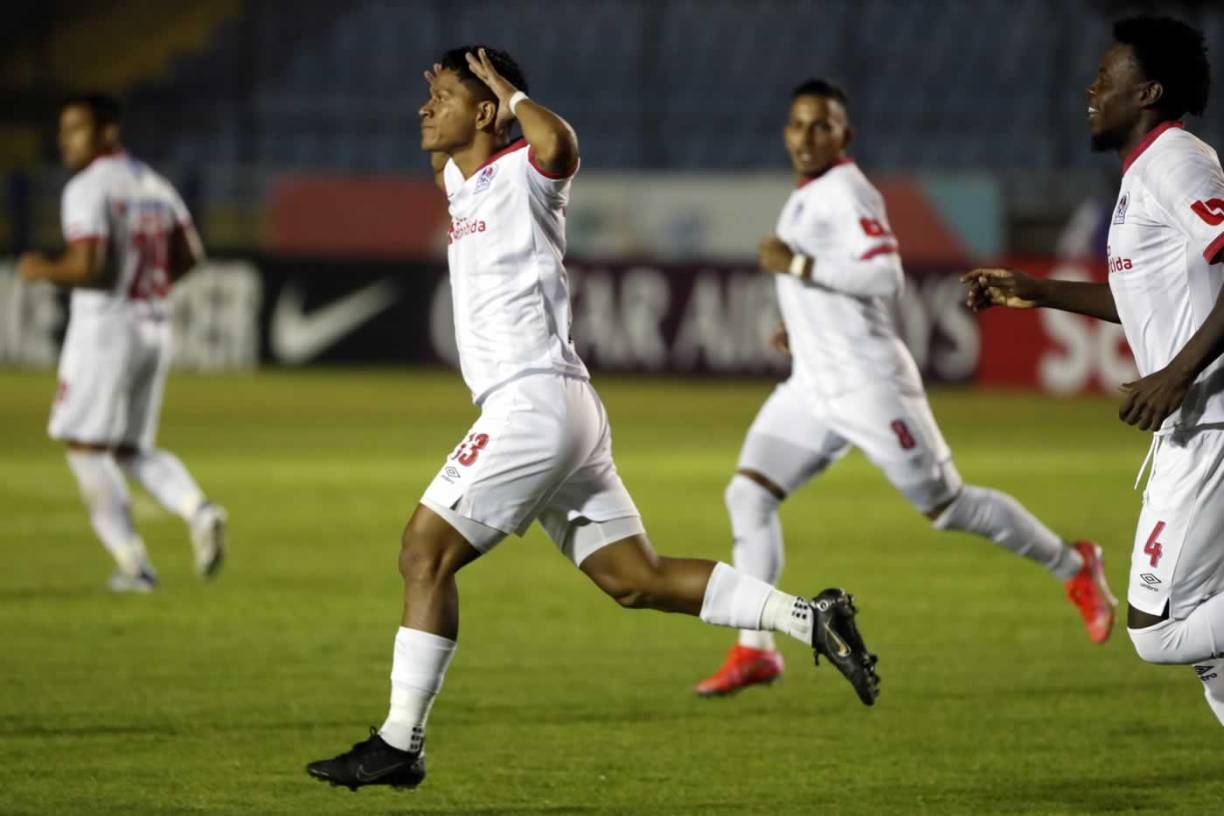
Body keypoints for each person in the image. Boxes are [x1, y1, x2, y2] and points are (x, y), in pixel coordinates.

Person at [306, 46, 879, 792]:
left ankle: (399, 741)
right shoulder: (463, 186)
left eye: (443, 96)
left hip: (532, 401)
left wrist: (506, 92)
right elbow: (448, 146)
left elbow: (559, 146)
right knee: (635, 579)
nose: (426, 108)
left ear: (487, 111)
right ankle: (812, 618)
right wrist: (452, 94)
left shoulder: (526, 174)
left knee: (424, 553)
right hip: (562, 407)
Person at [695, 78, 1116, 697]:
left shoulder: (847, 188)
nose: (807, 137)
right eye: (798, 125)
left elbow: (884, 274)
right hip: (813, 385)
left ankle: (1074, 563)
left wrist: (800, 266)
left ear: (845, 135)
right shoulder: (807, 196)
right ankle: (755, 650)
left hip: (869, 385)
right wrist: (802, 323)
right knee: (748, 496)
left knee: (947, 507)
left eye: (822, 125)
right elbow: (835, 285)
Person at [965, 16, 1224, 726]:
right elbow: (1147, 297)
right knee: (1214, 656)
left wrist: (1175, 374)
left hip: (1211, 425)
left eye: (1107, 78)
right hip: (1196, 424)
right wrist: (1039, 290)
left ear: (1148, 93)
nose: (1091, 88)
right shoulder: (1145, 177)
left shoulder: (1176, 161)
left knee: (1161, 629)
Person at [17, 93, 226, 592]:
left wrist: (41, 268)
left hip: (104, 332)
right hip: (153, 327)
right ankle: (199, 510)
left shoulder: (88, 188)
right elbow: (191, 254)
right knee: (131, 450)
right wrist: (148, 286)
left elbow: (89, 265)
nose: (65, 140)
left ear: (107, 131)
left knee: (87, 450)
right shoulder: (153, 183)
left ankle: (134, 566)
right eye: (64, 130)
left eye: (76, 129)